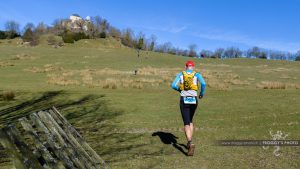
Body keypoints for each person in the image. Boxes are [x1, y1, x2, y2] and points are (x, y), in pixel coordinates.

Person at [171, 60, 206, 156]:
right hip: (194, 100)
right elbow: (203, 84)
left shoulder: (181, 74)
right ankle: (189, 142)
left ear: (186, 67)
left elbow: (173, 85)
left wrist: (179, 90)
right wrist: (201, 94)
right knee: (190, 120)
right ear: (193, 67)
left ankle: (190, 142)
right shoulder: (197, 74)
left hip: (184, 99)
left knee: (186, 122)